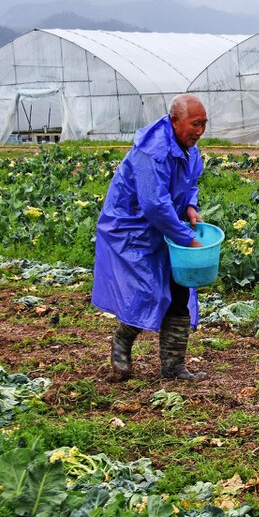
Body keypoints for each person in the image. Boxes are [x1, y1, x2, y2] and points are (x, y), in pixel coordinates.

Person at [92, 93, 209, 381]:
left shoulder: (188, 148)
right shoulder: (152, 151)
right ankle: (122, 341)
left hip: (162, 225)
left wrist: (191, 206)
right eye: (195, 124)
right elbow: (154, 204)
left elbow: (188, 181)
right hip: (132, 228)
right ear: (174, 121)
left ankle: (173, 367)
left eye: (204, 124)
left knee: (180, 285)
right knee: (147, 291)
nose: (200, 131)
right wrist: (188, 239)